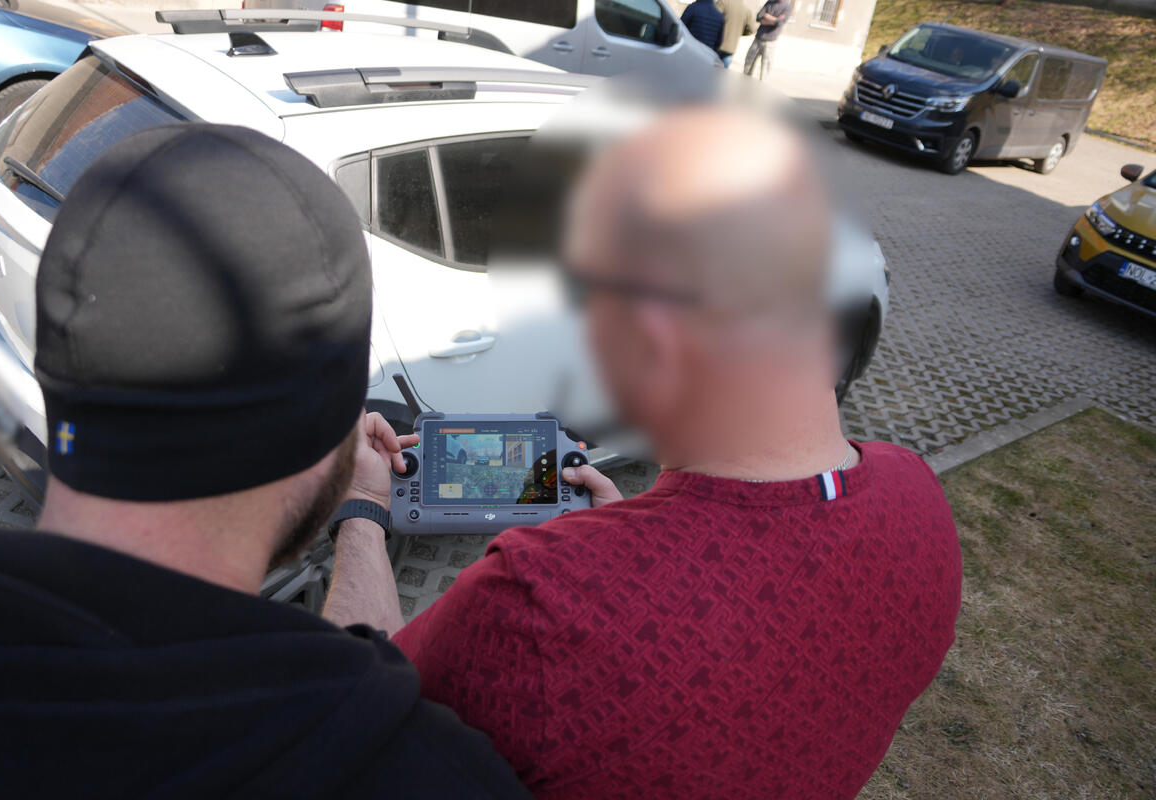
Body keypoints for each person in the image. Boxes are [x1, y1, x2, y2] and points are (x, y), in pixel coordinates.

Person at [325, 108, 963, 798]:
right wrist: (633, 542)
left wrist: (362, 506)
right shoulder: (920, 499)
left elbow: (348, 718)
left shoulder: (532, 604)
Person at [0, 123, 531, 798]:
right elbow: (355, 699)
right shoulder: (421, 772)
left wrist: (364, 509)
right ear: (327, 429)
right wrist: (363, 514)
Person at [744, 0, 792, 79]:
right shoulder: (770, 2)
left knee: (765, 68)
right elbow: (759, 16)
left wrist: (767, 17)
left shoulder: (787, 6)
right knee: (748, 64)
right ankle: (745, 81)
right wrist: (774, 20)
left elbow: (780, 22)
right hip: (758, 38)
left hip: (770, 42)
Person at [716, 0, 755, 68]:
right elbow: (751, 30)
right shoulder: (747, 10)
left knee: (709, 70)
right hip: (731, 47)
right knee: (722, 72)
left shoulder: (723, 3)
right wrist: (738, 32)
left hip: (716, 44)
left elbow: (713, 17)